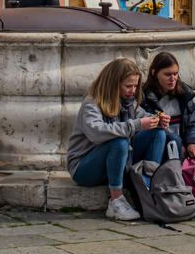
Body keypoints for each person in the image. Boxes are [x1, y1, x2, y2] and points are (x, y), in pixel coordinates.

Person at [67, 57, 168, 222]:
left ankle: (148, 189)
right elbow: (96, 133)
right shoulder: (92, 104)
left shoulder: (130, 103)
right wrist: (134, 125)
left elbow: (143, 118)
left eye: (135, 86)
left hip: (117, 161)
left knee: (158, 133)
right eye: (128, 86)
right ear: (113, 84)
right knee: (118, 141)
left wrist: (160, 121)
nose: (133, 91)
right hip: (84, 167)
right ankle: (116, 201)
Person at [139, 52, 195, 163]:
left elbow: (192, 123)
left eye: (175, 74)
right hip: (161, 148)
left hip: (184, 144)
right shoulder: (145, 99)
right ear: (154, 73)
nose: (173, 79)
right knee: (174, 139)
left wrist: (191, 142)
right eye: (167, 75)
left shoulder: (184, 94)